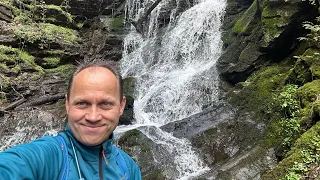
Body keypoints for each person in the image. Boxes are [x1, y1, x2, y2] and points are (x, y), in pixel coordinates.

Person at [0, 60, 142, 180]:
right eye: (82, 103)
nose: (93, 117)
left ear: (121, 106)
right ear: (68, 104)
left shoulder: (129, 169)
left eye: (105, 104)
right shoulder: (49, 156)